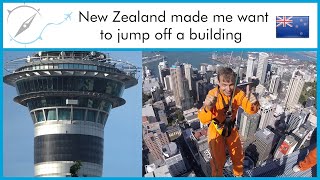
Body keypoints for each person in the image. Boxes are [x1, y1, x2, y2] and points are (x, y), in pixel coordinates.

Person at [198, 67, 260, 177]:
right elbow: (203, 119)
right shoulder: (213, 95)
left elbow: (251, 110)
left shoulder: (238, 93)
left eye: (231, 84)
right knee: (217, 161)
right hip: (216, 130)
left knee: (238, 156)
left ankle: (238, 175)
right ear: (218, 82)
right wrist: (207, 107)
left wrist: (254, 103)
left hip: (231, 128)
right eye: (224, 85)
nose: (228, 89)